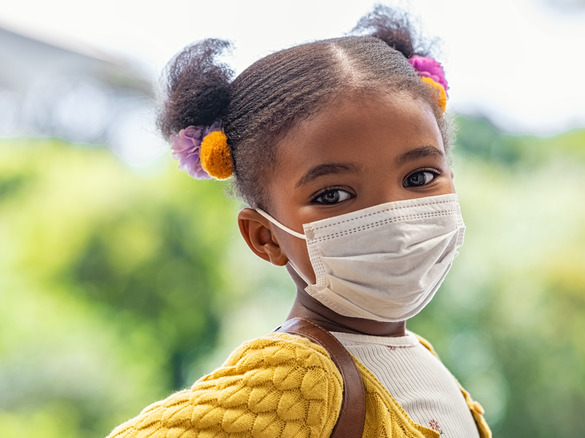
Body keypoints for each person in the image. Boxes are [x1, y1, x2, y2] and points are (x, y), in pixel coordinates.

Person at [107, 5, 491, 438]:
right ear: (265, 236)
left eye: (419, 177)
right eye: (333, 195)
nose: (394, 218)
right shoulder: (303, 377)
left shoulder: (416, 355)